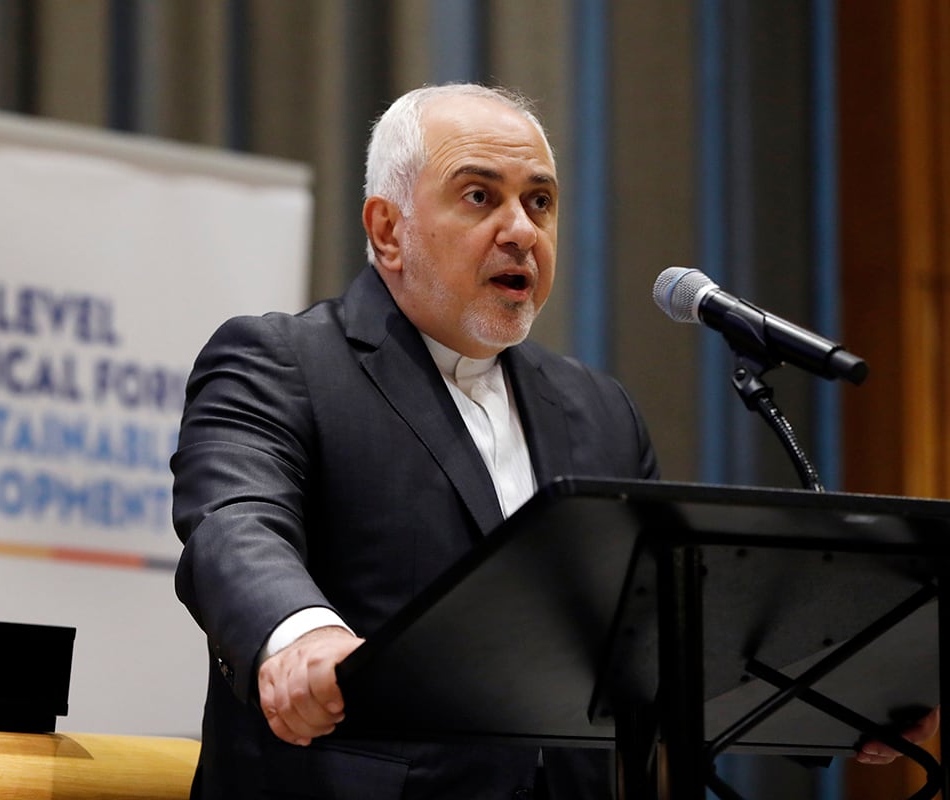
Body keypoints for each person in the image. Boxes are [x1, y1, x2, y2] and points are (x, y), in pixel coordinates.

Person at [170, 83, 932, 799]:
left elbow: (659, 639)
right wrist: (299, 638)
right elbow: (234, 525)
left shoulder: (597, 410)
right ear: (387, 229)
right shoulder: (285, 363)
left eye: (540, 202)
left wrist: (836, 698)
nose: (521, 230)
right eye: (480, 197)